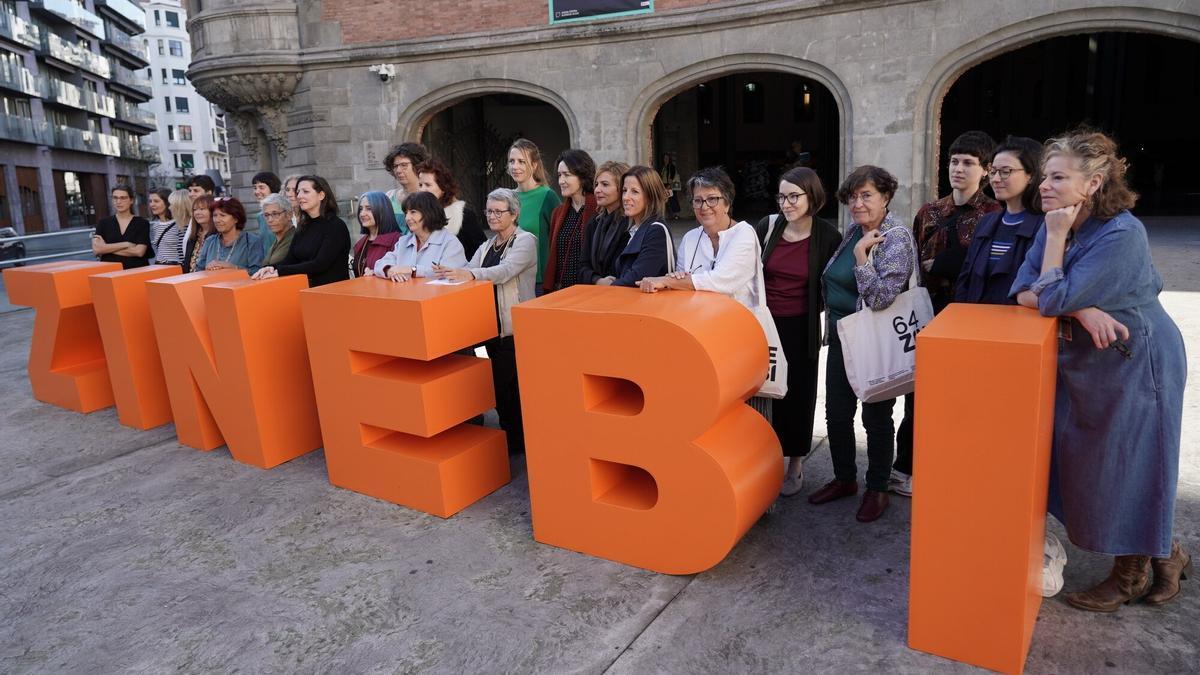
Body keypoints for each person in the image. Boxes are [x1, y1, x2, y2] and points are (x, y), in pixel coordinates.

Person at [1013, 130, 1187, 612]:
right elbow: (1021, 291)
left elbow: (1045, 297)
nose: (1044, 186)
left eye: (1057, 177)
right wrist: (1080, 309)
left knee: (1133, 464)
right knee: (1087, 465)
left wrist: (1061, 290)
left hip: (1135, 361)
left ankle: (1131, 574)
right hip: (1088, 359)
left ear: (1092, 184)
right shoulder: (1059, 223)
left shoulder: (1122, 233)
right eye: (1046, 176)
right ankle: (1166, 552)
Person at [893, 130, 1000, 498]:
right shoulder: (930, 212)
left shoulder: (994, 214)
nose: (959, 168)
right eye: (955, 161)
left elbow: (987, 267)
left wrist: (945, 262)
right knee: (917, 395)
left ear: (986, 170)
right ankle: (904, 467)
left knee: (963, 400)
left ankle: (955, 466)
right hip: (927, 313)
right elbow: (914, 266)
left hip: (972, 319)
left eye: (969, 162)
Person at [809, 165, 914, 523]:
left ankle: (878, 487)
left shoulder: (896, 237)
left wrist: (861, 260)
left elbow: (884, 297)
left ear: (886, 197)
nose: (857, 203)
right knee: (837, 413)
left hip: (873, 343)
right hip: (842, 338)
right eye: (853, 196)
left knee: (876, 417)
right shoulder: (855, 231)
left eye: (867, 195)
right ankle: (843, 479)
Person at [639, 166, 767, 413]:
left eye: (712, 199)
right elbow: (681, 286)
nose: (704, 206)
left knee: (742, 409)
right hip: (704, 338)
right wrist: (675, 280)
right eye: (698, 200)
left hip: (741, 337)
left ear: (727, 203)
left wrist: (671, 281)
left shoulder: (744, 234)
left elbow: (723, 281)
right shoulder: (690, 238)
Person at [754, 167, 840, 496]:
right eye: (782, 196)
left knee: (799, 393)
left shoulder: (827, 234)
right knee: (764, 391)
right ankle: (765, 455)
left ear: (811, 196)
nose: (786, 203)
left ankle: (795, 461)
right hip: (766, 324)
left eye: (794, 196)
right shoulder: (768, 226)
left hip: (802, 325)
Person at [433, 188, 536, 455]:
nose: (492, 216)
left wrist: (469, 274)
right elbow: (470, 267)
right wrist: (449, 271)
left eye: (498, 211)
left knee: (510, 388)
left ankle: (519, 444)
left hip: (512, 328)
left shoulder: (525, 241)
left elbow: (504, 272)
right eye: (489, 211)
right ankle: (511, 439)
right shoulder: (489, 244)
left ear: (514, 214)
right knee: (501, 388)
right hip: (488, 327)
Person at [956, 136, 1044, 305]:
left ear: (1031, 175)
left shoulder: (1047, 226)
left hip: (1019, 327)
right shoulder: (986, 222)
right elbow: (965, 281)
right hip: (975, 324)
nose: (995, 179)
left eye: (1005, 171)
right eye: (993, 171)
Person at [253, 175, 351, 287]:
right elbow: (290, 259)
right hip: (305, 292)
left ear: (321, 195)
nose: (299, 196)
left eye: (305, 191)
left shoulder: (336, 226)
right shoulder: (304, 226)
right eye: (298, 192)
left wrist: (280, 271)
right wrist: (271, 268)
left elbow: (319, 264)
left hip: (333, 293)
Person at [601, 165, 671, 287]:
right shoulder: (634, 230)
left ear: (650, 196)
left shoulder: (656, 230)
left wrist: (607, 288)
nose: (626, 197)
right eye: (624, 190)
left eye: (635, 192)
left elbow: (636, 279)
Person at [372, 191, 466, 280]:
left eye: (413, 212)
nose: (407, 218)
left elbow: (449, 273)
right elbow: (380, 264)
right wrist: (389, 270)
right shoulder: (403, 241)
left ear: (429, 212)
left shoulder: (450, 243)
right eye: (406, 213)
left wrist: (413, 270)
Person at [508, 138, 562, 289]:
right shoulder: (507, 197)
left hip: (538, 282)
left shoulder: (548, 196)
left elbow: (560, 239)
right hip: (510, 279)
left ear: (534, 164)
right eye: (512, 161)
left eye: (521, 161)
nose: (515, 166)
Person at [543, 149, 597, 293]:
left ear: (582, 175)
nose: (561, 181)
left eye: (567, 175)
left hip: (589, 292)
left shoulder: (599, 210)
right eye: (560, 175)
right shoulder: (557, 213)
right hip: (562, 291)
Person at [414, 159, 486, 256]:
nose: (422, 190)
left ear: (443, 187)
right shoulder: (417, 214)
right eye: (420, 185)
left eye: (428, 185)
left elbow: (481, 252)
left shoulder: (464, 215)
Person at [579, 161, 631, 285]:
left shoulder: (630, 223)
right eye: (596, 184)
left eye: (605, 185)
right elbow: (582, 266)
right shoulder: (594, 222)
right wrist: (597, 280)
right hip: (596, 292)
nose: (597, 190)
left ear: (621, 188)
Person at [195, 197, 263, 274]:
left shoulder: (251, 241)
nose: (217, 220)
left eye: (222, 215)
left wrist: (234, 268)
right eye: (215, 215)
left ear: (236, 219)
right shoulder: (210, 241)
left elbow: (257, 271)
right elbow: (199, 270)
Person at [92, 185, 151, 269]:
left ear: (131, 200)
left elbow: (139, 251)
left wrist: (107, 248)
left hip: (137, 271)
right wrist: (126, 244)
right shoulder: (103, 223)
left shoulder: (142, 223)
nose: (118, 201)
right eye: (115, 198)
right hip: (110, 272)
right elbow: (97, 250)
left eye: (123, 198)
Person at [349, 191, 403, 278]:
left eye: (369, 208)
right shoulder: (360, 244)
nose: (362, 214)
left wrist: (378, 273)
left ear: (382, 211)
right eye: (360, 209)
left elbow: (400, 273)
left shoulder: (398, 240)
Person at [383, 142, 428, 221]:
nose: (398, 170)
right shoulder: (389, 197)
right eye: (395, 166)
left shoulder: (428, 196)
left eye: (404, 165)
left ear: (417, 165)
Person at [260, 193, 296, 268]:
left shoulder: (297, 239)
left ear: (289, 215)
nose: (270, 220)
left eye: (275, 214)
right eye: (266, 215)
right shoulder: (276, 241)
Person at [147, 188, 181, 265]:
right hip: (159, 267)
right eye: (150, 201)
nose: (152, 204)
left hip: (175, 268)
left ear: (167, 202)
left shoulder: (179, 223)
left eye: (156, 201)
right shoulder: (155, 225)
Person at [182, 195, 214, 273]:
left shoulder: (217, 236)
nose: (197, 213)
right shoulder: (193, 236)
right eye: (195, 210)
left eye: (202, 209)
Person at [660, 152, 681, 219]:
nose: (665, 159)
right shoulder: (663, 167)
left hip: (670, 186)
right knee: (666, 200)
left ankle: (676, 214)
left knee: (673, 199)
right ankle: (671, 215)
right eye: (664, 158)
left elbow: (672, 176)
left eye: (667, 158)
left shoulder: (671, 166)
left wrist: (669, 186)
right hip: (664, 185)